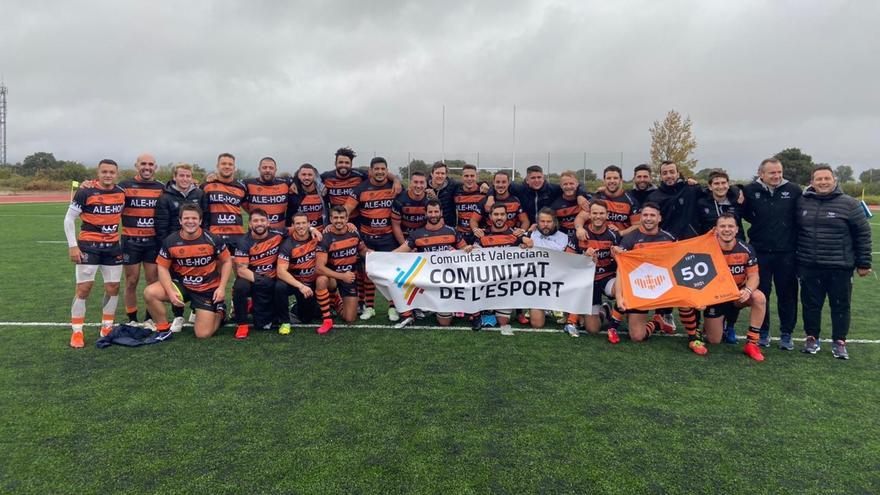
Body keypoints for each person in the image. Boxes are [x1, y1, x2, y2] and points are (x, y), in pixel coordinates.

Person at [795, 166, 872, 359]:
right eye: (818, 179)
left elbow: (863, 234)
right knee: (811, 304)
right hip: (809, 265)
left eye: (826, 178)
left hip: (840, 266)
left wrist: (864, 262)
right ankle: (812, 338)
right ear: (812, 182)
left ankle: (839, 341)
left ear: (834, 180)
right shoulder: (803, 202)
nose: (822, 182)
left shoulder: (850, 204)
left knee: (840, 305)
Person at [614, 202, 705, 354]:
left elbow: (681, 264)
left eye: (652, 215)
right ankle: (656, 322)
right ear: (641, 217)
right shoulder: (630, 239)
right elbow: (621, 270)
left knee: (685, 298)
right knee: (637, 337)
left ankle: (693, 337)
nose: (648, 218)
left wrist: (696, 294)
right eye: (645, 215)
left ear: (659, 218)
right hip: (641, 286)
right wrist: (619, 296)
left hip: (665, 284)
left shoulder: (669, 238)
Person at [144, 204, 232, 339]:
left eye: (194, 218)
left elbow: (227, 261)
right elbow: (162, 267)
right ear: (180, 221)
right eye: (186, 218)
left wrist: (221, 288)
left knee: (203, 334)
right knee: (150, 292)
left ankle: (220, 312)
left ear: (200, 221)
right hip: (183, 286)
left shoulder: (212, 239)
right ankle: (163, 330)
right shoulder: (171, 241)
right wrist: (170, 292)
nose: (190, 221)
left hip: (206, 289)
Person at [63, 159, 125, 348]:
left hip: (113, 247)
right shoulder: (85, 191)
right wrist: (73, 245)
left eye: (111, 172)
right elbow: (69, 219)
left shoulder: (121, 193)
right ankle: (77, 331)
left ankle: (106, 326)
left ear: (117, 174)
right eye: (104, 171)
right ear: (98, 173)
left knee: (113, 287)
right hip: (89, 246)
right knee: (84, 289)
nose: (108, 175)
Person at [741, 157, 802, 349]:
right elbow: (740, 204)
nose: (776, 176)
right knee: (762, 293)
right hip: (760, 251)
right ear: (761, 174)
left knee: (788, 294)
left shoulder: (793, 191)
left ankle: (786, 333)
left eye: (779, 172)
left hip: (787, 252)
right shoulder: (750, 190)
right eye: (772, 173)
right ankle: (763, 331)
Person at [392, 199, 469, 328]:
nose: (433, 215)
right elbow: (399, 252)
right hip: (425, 280)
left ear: (441, 212)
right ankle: (410, 313)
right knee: (400, 278)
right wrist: (378, 257)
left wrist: (469, 250)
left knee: (445, 323)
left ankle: (440, 308)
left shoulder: (452, 232)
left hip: (447, 281)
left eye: (436, 211)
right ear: (426, 214)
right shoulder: (416, 234)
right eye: (430, 212)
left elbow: (465, 252)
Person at [703, 213, 767, 361]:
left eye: (730, 226)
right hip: (715, 297)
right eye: (723, 226)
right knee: (714, 340)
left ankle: (752, 343)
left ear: (737, 229)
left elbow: (754, 276)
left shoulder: (746, 248)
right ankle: (714, 324)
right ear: (716, 229)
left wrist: (748, 290)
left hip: (737, 295)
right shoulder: (707, 249)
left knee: (759, 297)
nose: (727, 229)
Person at [346, 157, 399, 321]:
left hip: (388, 237)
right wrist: (346, 224)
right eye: (377, 169)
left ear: (387, 170)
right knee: (368, 274)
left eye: (383, 169)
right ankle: (370, 307)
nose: (380, 172)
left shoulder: (394, 187)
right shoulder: (360, 189)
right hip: (367, 237)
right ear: (370, 171)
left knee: (391, 275)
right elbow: (346, 209)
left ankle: (393, 308)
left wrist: (397, 179)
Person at [154, 163, 205, 332]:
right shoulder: (165, 197)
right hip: (175, 248)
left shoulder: (199, 194)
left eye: (188, 176)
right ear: (174, 177)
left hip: (198, 246)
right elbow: (161, 226)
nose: (185, 179)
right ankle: (178, 316)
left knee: (200, 277)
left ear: (192, 178)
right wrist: (169, 249)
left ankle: (195, 310)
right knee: (177, 281)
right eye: (181, 176)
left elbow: (206, 220)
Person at [117, 154, 165, 327]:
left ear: (155, 167)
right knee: (131, 281)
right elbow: (106, 192)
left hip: (153, 241)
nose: (147, 167)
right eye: (143, 164)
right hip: (131, 241)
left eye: (150, 164)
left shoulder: (161, 187)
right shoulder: (124, 186)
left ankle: (149, 318)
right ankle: (132, 319)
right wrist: (89, 184)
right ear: (136, 165)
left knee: (153, 281)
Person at [472, 203, 534, 335]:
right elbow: (474, 259)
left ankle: (498, 311)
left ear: (507, 216)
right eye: (496, 214)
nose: (499, 217)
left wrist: (527, 245)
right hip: (487, 283)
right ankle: (480, 312)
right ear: (490, 217)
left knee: (503, 321)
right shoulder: (482, 234)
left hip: (506, 285)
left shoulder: (515, 234)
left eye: (502, 214)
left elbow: (530, 246)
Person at [565, 200, 622, 342]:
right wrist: (585, 258)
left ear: (607, 215)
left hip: (606, 278)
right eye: (595, 213)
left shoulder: (614, 235)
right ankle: (605, 310)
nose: (598, 216)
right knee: (592, 329)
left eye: (601, 213)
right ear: (589, 215)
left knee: (625, 289)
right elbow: (567, 260)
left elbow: (621, 262)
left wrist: (616, 256)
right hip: (587, 281)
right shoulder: (579, 234)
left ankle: (613, 326)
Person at [231, 209, 285, 339]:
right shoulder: (243, 241)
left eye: (262, 220)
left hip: (272, 277)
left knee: (263, 325)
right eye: (255, 221)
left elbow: (297, 229)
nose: (259, 223)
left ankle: (264, 310)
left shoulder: (278, 232)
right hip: (252, 278)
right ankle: (242, 324)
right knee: (240, 286)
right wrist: (262, 281)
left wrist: (312, 229)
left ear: (268, 223)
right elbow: (242, 270)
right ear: (250, 224)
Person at [315, 206, 368, 333]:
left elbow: (363, 251)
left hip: (348, 278)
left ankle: (337, 302)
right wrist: (342, 276)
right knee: (321, 280)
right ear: (331, 219)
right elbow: (319, 268)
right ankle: (327, 318)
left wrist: (380, 256)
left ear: (347, 219)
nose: (339, 221)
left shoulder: (354, 232)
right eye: (336, 218)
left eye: (342, 218)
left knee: (350, 319)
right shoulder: (325, 238)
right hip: (332, 277)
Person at [276, 213, 320, 335]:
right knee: (280, 286)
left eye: (303, 223)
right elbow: (280, 272)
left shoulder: (317, 237)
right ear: (293, 225)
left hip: (311, 282)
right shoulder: (287, 244)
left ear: (309, 224)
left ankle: (296, 307)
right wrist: (300, 286)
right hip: (295, 283)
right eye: (298, 223)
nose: (301, 226)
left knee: (307, 318)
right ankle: (284, 321)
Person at [527, 208, 569, 329]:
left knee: (588, 325)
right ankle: (540, 308)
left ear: (555, 222)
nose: (545, 225)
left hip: (558, 283)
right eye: (542, 221)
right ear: (537, 222)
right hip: (537, 284)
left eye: (549, 221)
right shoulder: (530, 235)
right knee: (537, 324)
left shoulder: (564, 237)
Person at [201, 152, 248, 247]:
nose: (227, 166)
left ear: (234, 168)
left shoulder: (242, 187)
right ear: (217, 166)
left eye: (230, 164)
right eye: (223, 164)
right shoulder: (206, 186)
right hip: (214, 236)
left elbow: (250, 208)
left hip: (237, 237)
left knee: (237, 262)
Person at [582, 165, 639, 236]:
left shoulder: (631, 201)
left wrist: (621, 233)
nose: (612, 181)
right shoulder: (596, 197)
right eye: (609, 178)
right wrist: (579, 229)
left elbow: (637, 225)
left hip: (620, 243)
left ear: (621, 180)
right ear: (604, 180)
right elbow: (580, 217)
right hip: (597, 241)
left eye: (615, 178)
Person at [243, 157, 292, 230]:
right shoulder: (247, 184)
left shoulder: (285, 183)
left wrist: (294, 183)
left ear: (275, 170)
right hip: (256, 233)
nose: (268, 170)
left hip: (280, 233)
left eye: (271, 168)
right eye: (264, 167)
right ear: (259, 169)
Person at [697, 170, 745, 238]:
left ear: (728, 185)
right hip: (711, 245)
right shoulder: (702, 204)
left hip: (734, 244)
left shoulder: (738, 200)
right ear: (710, 187)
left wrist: (740, 189)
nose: (720, 186)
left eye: (723, 183)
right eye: (716, 183)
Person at [391, 170, 429, 245]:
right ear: (410, 183)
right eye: (415, 182)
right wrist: (405, 246)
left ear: (426, 185)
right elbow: (395, 226)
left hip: (423, 238)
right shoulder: (399, 200)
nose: (418, 186)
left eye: (422, 182)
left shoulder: (430, 200)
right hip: (404, 237)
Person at [287, 163, 325, 230]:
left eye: (310, 175)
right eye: (304, 175)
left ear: (314, 176)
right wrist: (294, 181)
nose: (307, 177)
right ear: (299, 176)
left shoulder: (323, 191)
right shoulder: (293, 192)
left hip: (320, 231)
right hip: (300, 232)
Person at [549, 171, 589, 236]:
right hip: (565, 239)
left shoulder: (586, 200)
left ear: (577, 184)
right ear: (561, 186)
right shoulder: (555, 206)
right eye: (565, 184)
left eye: (571, 183)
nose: (568, 186)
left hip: (585, 237)